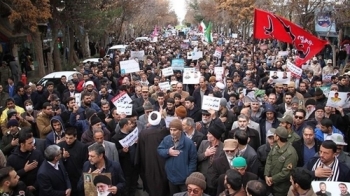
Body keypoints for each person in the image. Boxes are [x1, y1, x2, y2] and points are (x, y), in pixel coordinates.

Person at [158, 119, 197, 196]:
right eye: (171, 130)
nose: (172, 132)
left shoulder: (188, 143)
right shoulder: (167, 139)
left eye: (175, 130)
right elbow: (159, 150)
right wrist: (168, 152)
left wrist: (188, 174)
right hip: (171, 177)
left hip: (184, 179)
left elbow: (193, 160)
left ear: (180, 130)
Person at [137, 111, 169, 196]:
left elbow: (141, 152)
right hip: (163, 164)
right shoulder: (165, 131)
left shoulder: (143, 133)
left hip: (149, 164)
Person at [264, 126, 298, 196]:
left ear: (278, 137)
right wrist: (266, 175)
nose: (273, 136)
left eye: (275, 134)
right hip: (271, 184)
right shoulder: (275, 146)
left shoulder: (291, 153)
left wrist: (272, 179)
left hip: (282, 188)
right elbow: (269, 159)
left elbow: (286, 173)